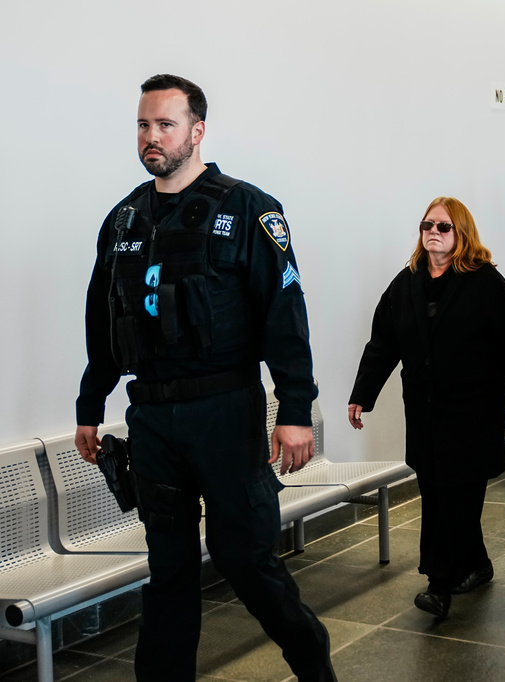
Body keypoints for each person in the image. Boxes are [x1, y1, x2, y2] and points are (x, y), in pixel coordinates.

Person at [74, 75, 335, 681]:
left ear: (197, 131)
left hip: (225, 412)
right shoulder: (122, 221)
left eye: (165, 124)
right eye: (143, 124)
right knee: (168, 570)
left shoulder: (249, 209)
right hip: (153, 420)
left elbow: (284, 318)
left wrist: (295, 409)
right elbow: (104, 324)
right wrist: (91, 403)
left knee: (246, 561)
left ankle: (314, 666)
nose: (151, 137)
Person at [349, 196, 505, 620]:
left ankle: (438, 583)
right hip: (426, 412)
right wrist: (363, 393)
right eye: (427, 225)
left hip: (473, 411)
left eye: (443, 227)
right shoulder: (406, 282)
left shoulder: (486, 283)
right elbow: (383, 343)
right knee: (436, 492)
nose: (433, 231)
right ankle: (477, 565)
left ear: (462, 234)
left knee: (457, 496)